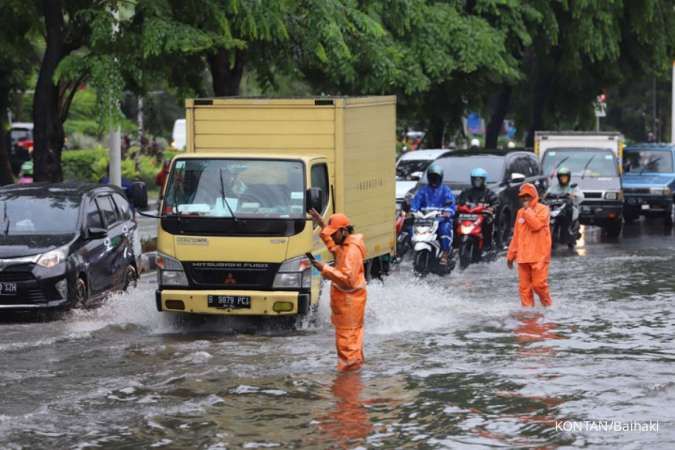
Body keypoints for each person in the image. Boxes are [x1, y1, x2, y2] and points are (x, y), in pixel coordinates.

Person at [309, 210, 367, 372]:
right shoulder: (345, 245)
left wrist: (325, 269)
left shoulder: (351, 251)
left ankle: (349, 381)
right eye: (331, 234)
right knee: (352, 342)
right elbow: (334, 247)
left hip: (349, 307)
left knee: (348, 344)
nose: (332, 237)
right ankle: (354, 374)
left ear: (344, 231)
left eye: (334, 233)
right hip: (348, 306)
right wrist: (322, 224)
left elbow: (348, 280)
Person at [507, 183, 552, 307]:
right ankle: (528, 316)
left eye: (528, 195)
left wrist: (527, 211)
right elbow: (516, 235)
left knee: (539, 285)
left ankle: (548, 306)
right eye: (523, 196)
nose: (525, 198)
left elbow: (536, 225)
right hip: (523, 258)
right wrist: (511, 255)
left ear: (534, 195)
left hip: (539, 256)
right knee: (524, 289)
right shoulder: (519, 213)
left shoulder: (543, 209)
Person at [410, 163, 456, 265]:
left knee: (444, 229)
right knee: (410, 228)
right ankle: (408, 252)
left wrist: (447, 212)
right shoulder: (423, 190)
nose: (434, 179)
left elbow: (451, 204)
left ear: (440, 177)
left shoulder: (445, 190)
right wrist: (413, 211)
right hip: (425, 219)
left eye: (436, 177)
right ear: (429, 177)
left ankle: (445, 253)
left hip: (440, 220)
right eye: (432, 177)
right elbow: (416, 202)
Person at [457, 167, 498, 250]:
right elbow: (458, 201)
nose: (477, 182)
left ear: (483, 180)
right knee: (454, 221)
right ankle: (456, 243)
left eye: (479, 180)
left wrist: (491, 208)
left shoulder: (489, 193)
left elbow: (496, 203)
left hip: (481, 216)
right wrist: (457, 205)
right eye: (475, 179)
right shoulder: (466, 192)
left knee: (488, 222)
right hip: (467, 216)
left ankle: (487, 243)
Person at [544, 167, 581, 240]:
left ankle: (570, 228)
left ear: (568, 177)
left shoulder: (572, 186)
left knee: (571, 210)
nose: (563, 178)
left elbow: (580, 196)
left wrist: (573, 195)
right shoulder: (554, 186)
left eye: (565, 177)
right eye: (561, 176)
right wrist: (544, 196)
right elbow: (546, 194)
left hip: (567, 207)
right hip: (556, 206)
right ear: (558, 178)